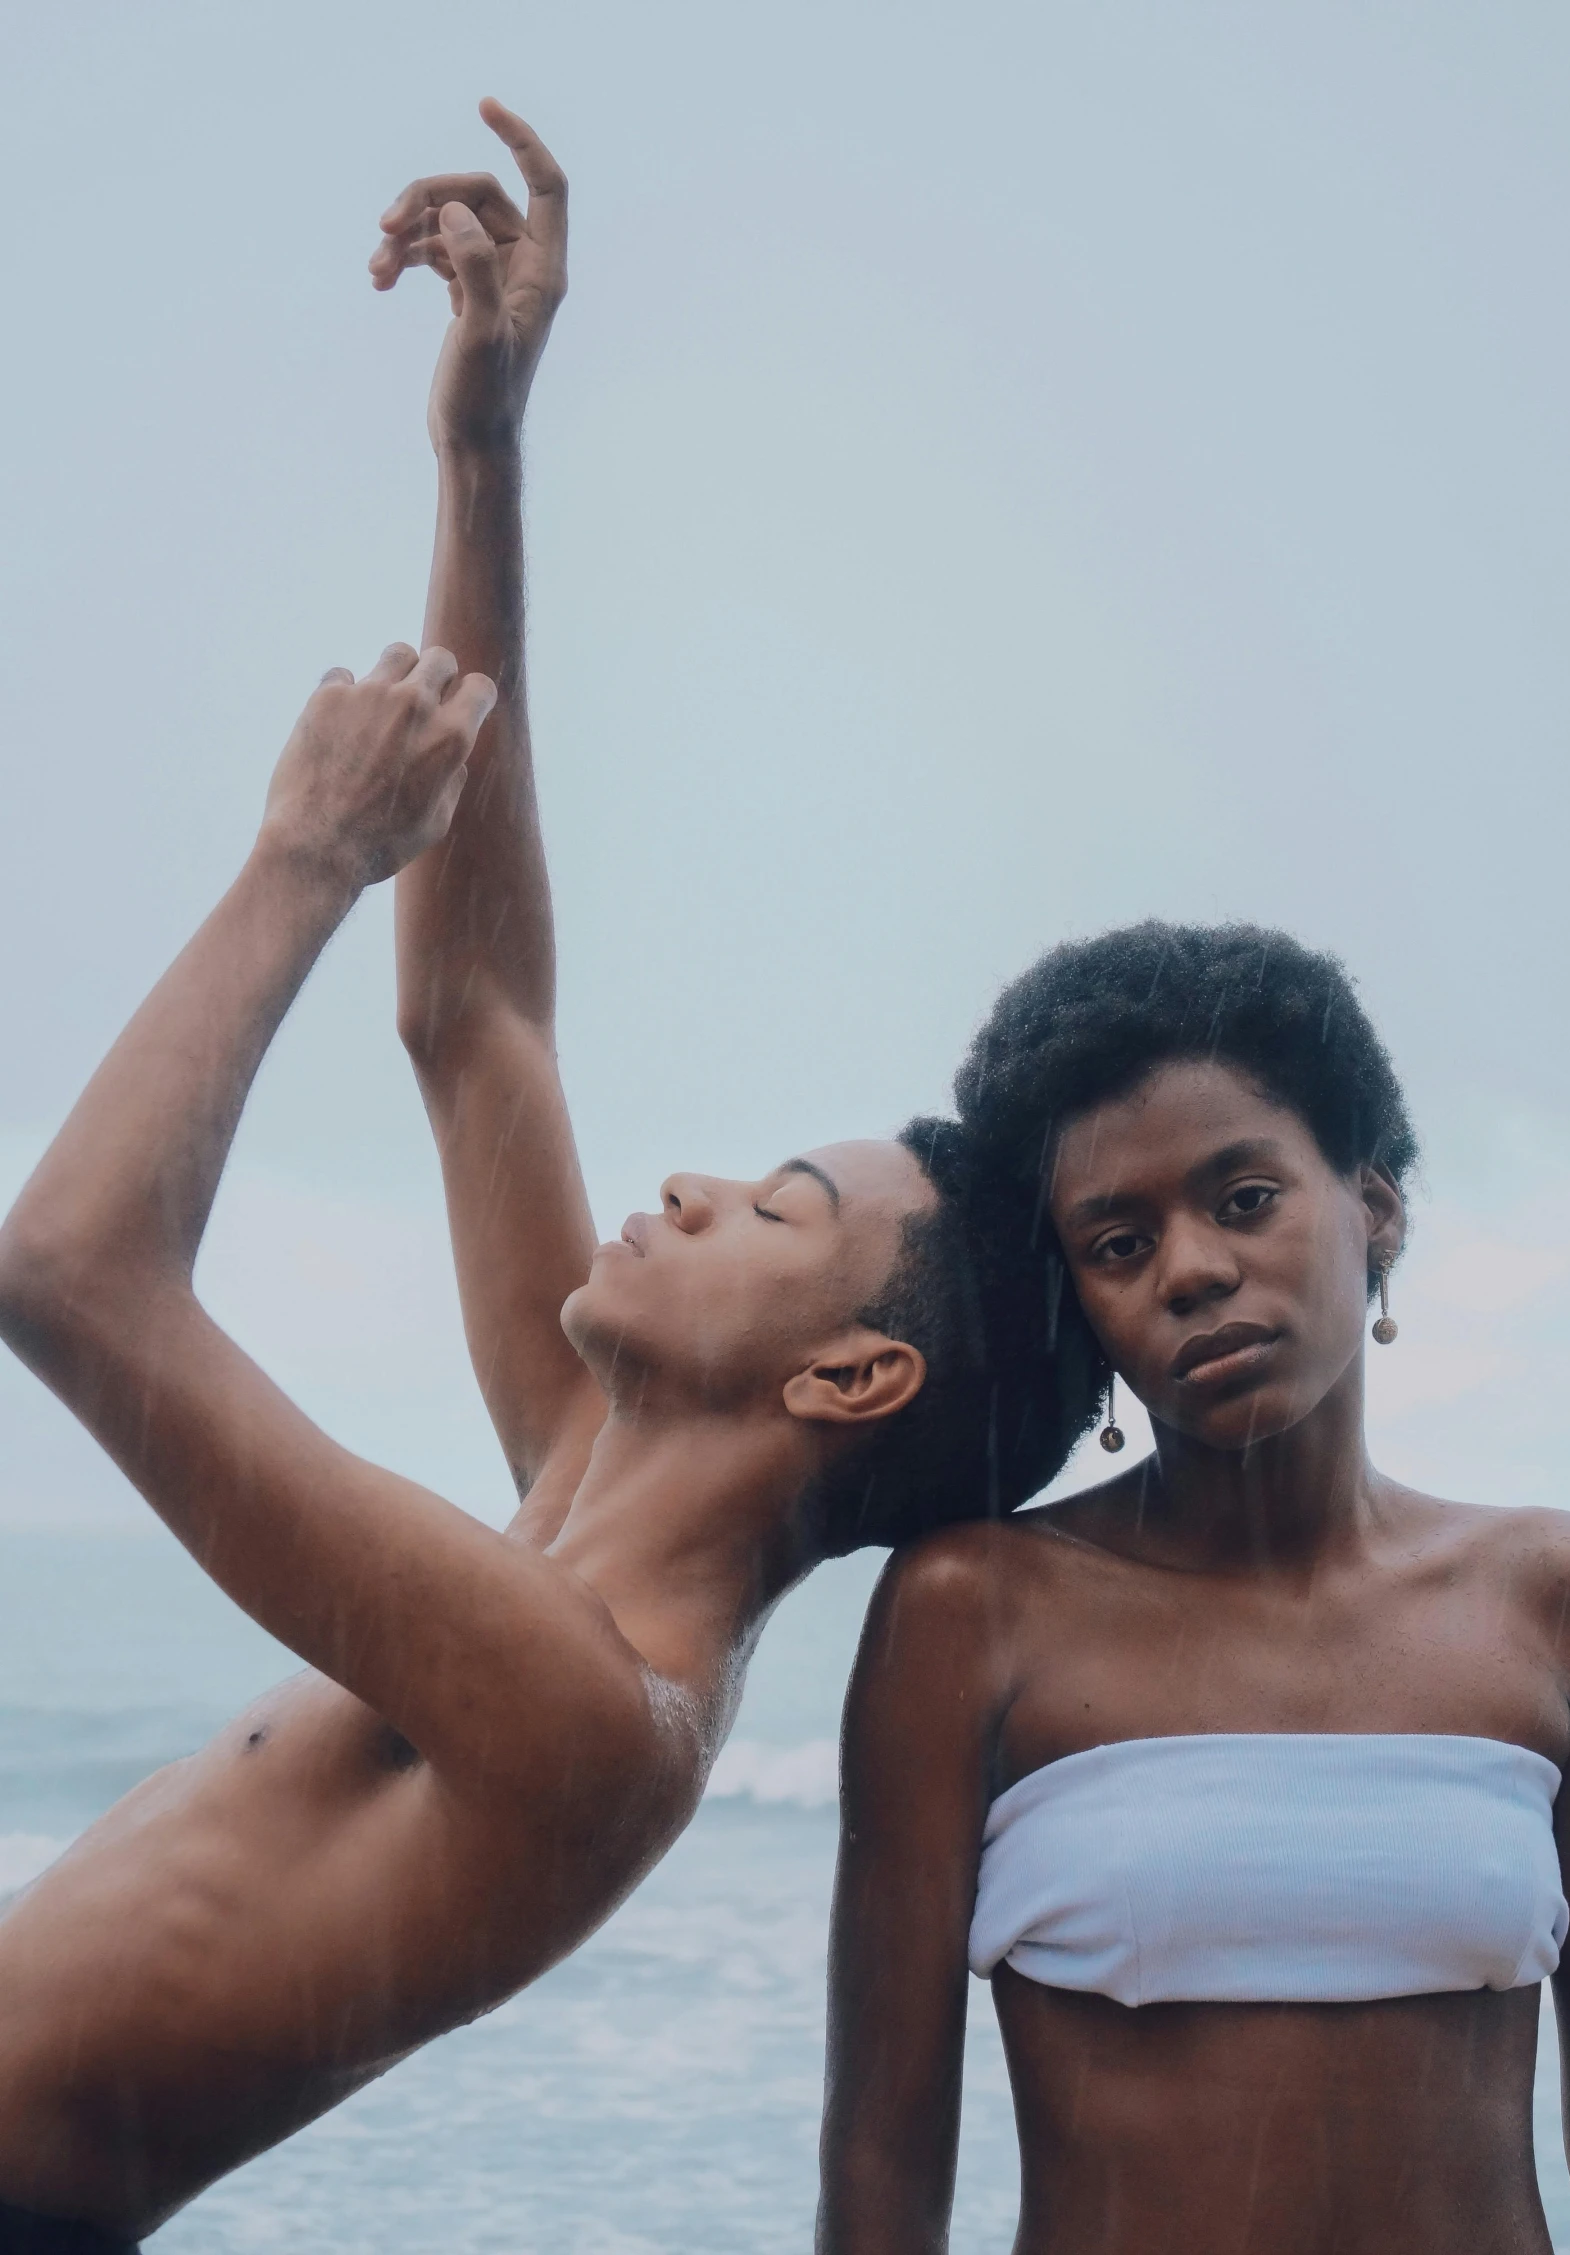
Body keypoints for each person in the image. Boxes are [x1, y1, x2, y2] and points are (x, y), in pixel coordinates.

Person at [0, 107, 1082, 2247]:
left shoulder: (588, 1705)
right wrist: (483, 453)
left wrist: (302, 856)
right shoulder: (578, 1496)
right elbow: (478, 1011)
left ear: (852, 1376)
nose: (694, 1183)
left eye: (780, 1208)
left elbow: (68, 1272)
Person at [819, 922, 1570, 2255]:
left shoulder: (1559, 1599)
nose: (1190, 1268)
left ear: (1373, 1205)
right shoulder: (969, 1611)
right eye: (1118, 1241)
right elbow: (880, 2155)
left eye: (1243, 1198)